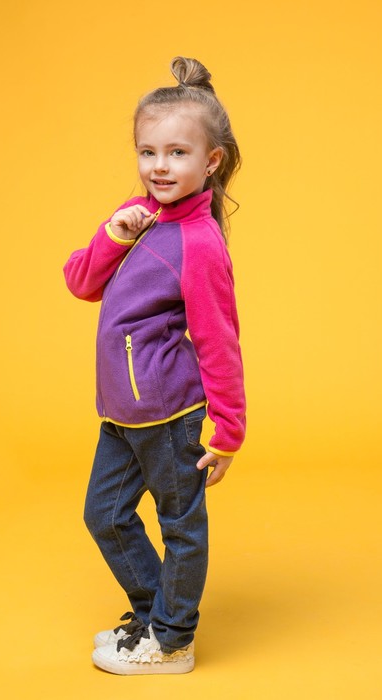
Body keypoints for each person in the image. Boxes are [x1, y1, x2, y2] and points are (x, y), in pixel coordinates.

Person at [63, 56, 246, 675]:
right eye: (148, 152)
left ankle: (172, 641)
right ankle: (153, 618)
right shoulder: (138, 216)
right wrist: (113, 234)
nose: (159, 167)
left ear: (210, 161)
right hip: (123, 412)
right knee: (105, 515)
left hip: (169, 413)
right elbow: (81, 283)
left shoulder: (199, 242)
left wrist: (229, 430)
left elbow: (220, 340)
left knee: (180, 527)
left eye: (177, 153)